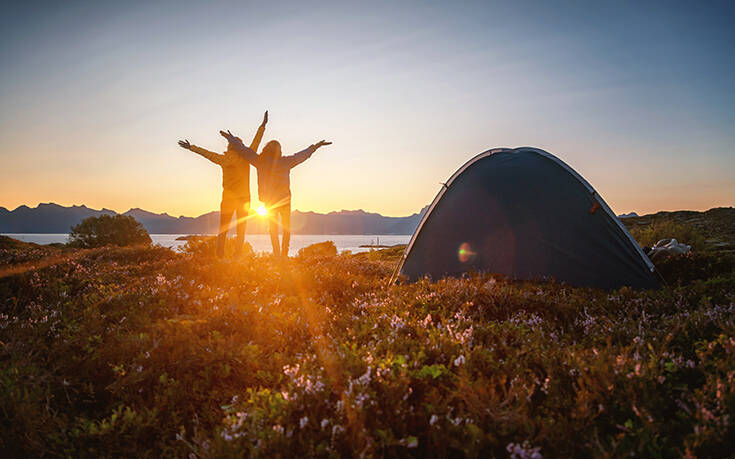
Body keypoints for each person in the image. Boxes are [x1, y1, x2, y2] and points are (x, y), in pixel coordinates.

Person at [220, 130, 331, 257]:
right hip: (284, 201)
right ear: (279, 151)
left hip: (270, 202)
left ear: (266, 149)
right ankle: (284, 254)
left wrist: (231, 138)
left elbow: (244, 150)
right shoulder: (286, 162)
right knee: (285, 229)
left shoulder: (259, 161)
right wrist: (315, 147)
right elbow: (302, 156)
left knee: (273, 229)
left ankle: (277, 254)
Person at [177, 111, 268, 258]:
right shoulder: (246, 157)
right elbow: (256, 141)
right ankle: (238, 257)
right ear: (239, 146)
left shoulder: (223, 159)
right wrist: (263, 125)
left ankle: (220, 257)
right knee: (241, 230)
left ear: (229, 147)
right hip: (244, 199)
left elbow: (206, 154)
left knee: (223, 229)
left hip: (228, 199)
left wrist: (191, 147)